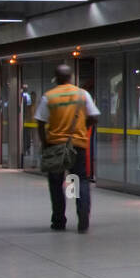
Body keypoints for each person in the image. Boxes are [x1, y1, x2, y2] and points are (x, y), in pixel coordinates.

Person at [36, 64, 100, 233]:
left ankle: (59, 220)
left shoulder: (49, 97)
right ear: (71, 77)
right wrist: (82, 129)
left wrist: (44, 143)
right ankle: (83, 217)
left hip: (55, 145)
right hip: (77, 145)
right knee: (78, 180)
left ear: (56, 78)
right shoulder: (82, 94)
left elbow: (40, 122)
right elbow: (94, 116)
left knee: (56, 184)